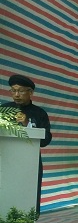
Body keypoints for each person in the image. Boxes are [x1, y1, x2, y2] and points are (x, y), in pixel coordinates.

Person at [4, 74, 52, 214]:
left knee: (30, 197)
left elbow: (46, 140)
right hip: (6, 163)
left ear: (30, 92)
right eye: (13, 90)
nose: (16, 95)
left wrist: (27, 124)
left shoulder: (39, 113)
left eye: (21, 91)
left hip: (31, 165)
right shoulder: (4, 110)